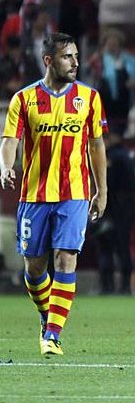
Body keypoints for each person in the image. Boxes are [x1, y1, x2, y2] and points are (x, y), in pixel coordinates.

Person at [0, 32, 108, 356]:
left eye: (76, 56)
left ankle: (53, 335)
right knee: (34, 268)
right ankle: (48, 316)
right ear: (48, 60)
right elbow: (10, 140)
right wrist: (5, 167)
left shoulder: (89, 98)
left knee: (65, 258)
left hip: (74, 193)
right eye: (67, 57)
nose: (75, 62)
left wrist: (101, 190)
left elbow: (96, 146)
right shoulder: (24, 99)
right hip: (34, 195)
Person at [95, 129, 135, 294]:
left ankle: (107, 286)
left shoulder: (111, 156)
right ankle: (125, 286)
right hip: (124, 208)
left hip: (112, 208)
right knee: (122, 248)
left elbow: (107, 183)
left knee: (106, 247)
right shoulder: (126, 154)